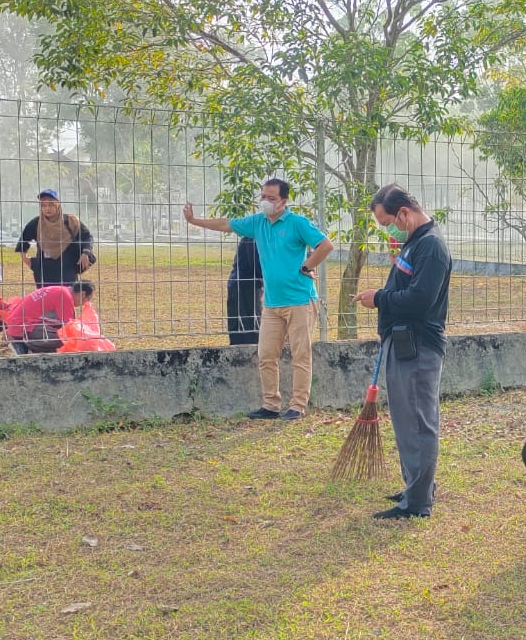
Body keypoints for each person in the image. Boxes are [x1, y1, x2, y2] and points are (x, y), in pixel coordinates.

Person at [183, 179, 333, 420]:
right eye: (263, 196)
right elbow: (225, 224)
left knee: (300, 355)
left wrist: (307, 266)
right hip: (272, 304)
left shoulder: (297, 224)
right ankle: (271, 404)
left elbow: (325, 245)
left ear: (284, 201)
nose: (266, 201)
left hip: (300, 301)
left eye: (271, 198)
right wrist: (194, 221)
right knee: (266, 354)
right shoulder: (257, 223)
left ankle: (297, 406)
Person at [355, 184, 451, 520]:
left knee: (418, 422)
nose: (388, 230)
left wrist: (378, 298)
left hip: (419, 346)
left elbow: (420, 299)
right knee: (406, 420)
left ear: (404, 214)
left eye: (387, 223)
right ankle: (416, 486)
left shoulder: (431, 247)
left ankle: (418, 502)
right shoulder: (415, 243)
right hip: (402, 342)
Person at [15, 190, 96, 288]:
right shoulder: (37, 223)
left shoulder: (70, 221)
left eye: (50, 205)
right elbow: (24, 240)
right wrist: (27, 259)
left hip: (67, 269)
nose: (47, 209)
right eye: (43, 206)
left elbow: (87, 236)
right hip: (44, 271)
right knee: (45, 301)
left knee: (66, 299)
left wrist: (85, 253)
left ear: (57, 205)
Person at [3, 280, 94, 354]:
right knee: (67, 339)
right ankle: (25, 344)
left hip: (19, 323)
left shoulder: (62, 291)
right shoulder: (65, 297)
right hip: (24, 327)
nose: (85, 303)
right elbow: (68, 327)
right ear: (83, 294)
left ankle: (31, 344)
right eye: (87, 299)